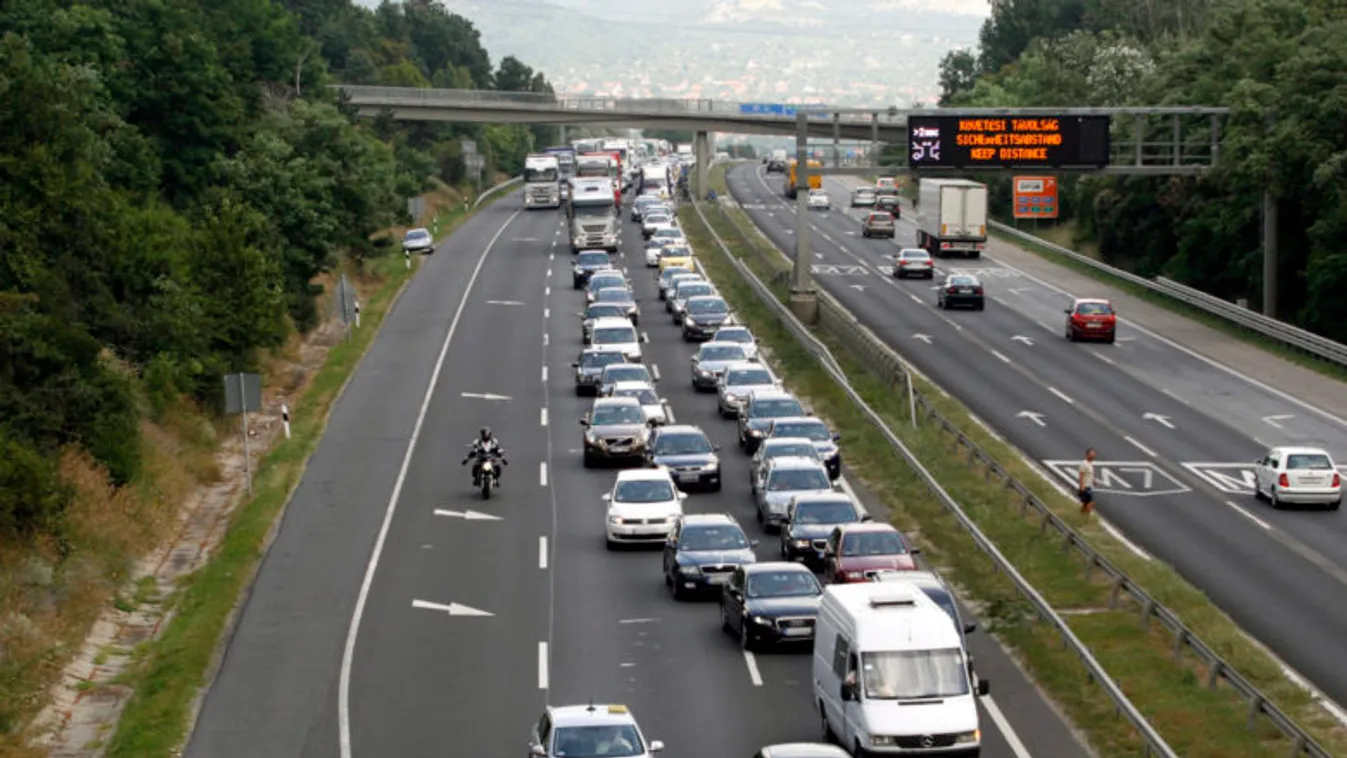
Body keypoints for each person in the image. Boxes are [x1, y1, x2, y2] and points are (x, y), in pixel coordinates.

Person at [1078, 447, 1097, 516]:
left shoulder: (1090, 464)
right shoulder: (1084, 464)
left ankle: (1081, 515)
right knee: (1090, 504)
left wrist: (1093, 480)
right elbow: (1081, 475)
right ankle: (1087, 516)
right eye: (1091, 454)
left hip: (1089, 486)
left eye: (1094, 454)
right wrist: (1082, 487)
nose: (1093, 456)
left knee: (1085, 504)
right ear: (1087, 455)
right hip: (1085, 487)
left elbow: (1090, 474)